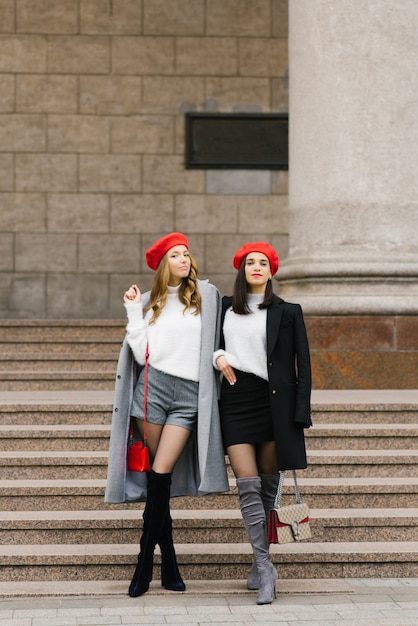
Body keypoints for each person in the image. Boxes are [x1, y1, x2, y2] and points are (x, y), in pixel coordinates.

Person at [105, 232, 229, 598]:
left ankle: (145, 561)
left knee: (162, 471)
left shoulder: (207, 296)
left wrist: (221, 357)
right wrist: (131, 311)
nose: (184, 259)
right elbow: (141, 348)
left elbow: (216, 338)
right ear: (163, 264)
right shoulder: (148, 302)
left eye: (187, 254)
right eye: (176, 255)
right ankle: (168, 562)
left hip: (190, 395)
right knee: (159, 479)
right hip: (152, 390)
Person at [214, 242, 312, 605]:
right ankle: (264, 564)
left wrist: (301, 413)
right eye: (249, 262)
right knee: (247, 483)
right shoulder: (224, 307)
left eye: (263, 263)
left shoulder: (288, 311)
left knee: (268, 485)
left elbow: (304, 366)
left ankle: (260, 565)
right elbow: (209, 343)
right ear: (241, 269)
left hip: (276, 407)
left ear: (272, 271)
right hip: (237, 400)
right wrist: (219, 356)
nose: (256, 267)